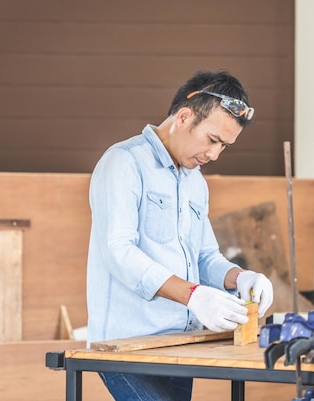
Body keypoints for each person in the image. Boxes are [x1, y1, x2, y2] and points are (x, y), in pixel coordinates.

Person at [86, 69, 274, 401]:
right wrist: (193, 296)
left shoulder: (194, 182)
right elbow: (119, 252)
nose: (214, 154)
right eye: (212, 140)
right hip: (127, 347)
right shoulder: (124, 163)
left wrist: (241, 277)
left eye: (224, 147)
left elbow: (205, 257)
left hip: (178, 344)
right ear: (184, 117)